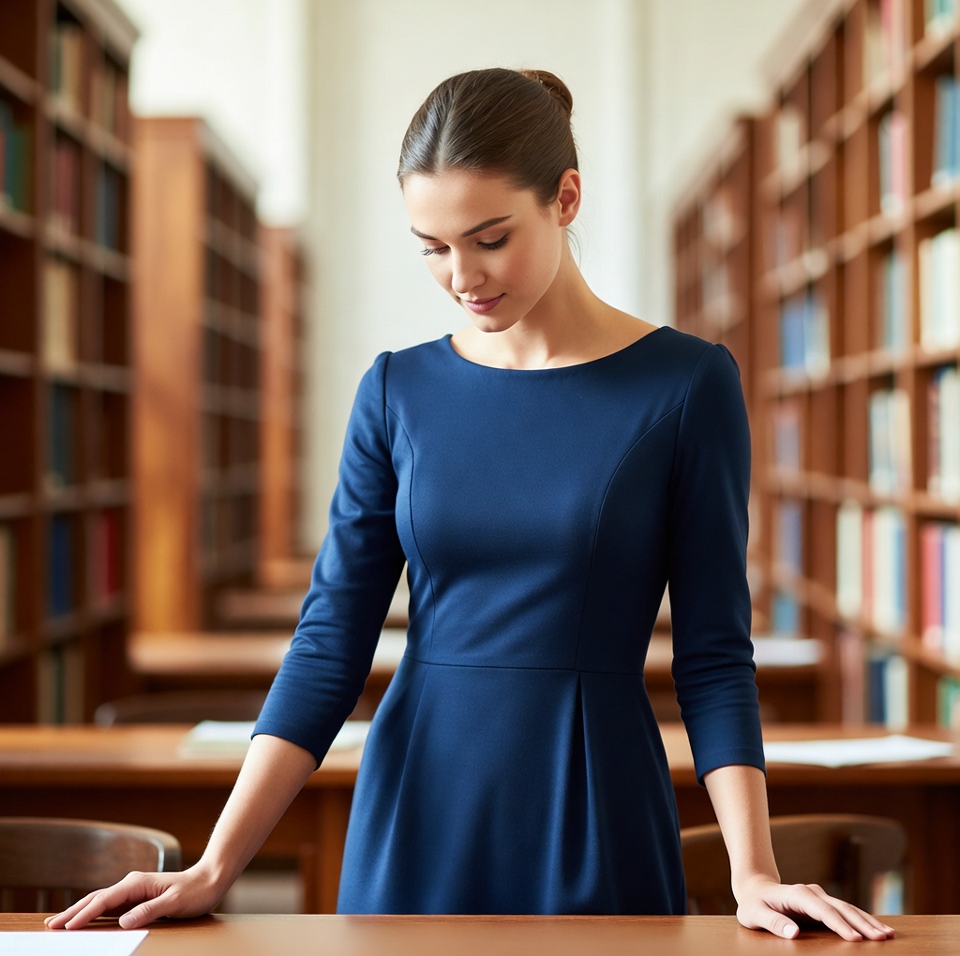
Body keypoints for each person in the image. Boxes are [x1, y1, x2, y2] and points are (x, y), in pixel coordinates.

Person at [48, 67, 893, 941]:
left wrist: (752, 873)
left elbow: (715, 655)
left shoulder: (685, 386)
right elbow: (330, 640)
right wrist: (217, 864)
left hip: (591, 795)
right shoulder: (396, 389)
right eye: (432, 245)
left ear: (565, 198)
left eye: (490, 238)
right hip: (417, 792)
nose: (461, 276)